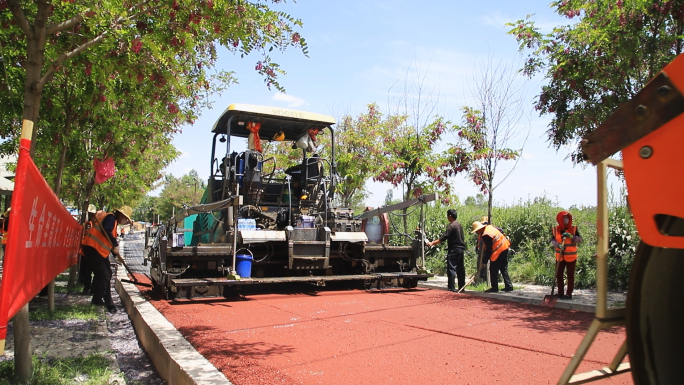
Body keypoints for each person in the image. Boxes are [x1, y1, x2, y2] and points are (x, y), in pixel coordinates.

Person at [81, 206, 132, 313]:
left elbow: (107, 240)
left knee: (105, 274)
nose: (125, 221)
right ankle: (109, 303)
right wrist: (115, 244)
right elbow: (105, 230)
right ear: (121, 215)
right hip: (92, 249)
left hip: (97, 251)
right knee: (105, 275)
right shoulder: (111, 218)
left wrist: (115, 255)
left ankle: (97, 298)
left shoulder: (113, 222)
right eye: (126, 218)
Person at [427, 209, 466, 292]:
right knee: (460, 268)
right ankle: (461, 287)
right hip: (461, 249)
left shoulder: (451, 226)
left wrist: (432, 243)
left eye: (447, 216)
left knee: (451, 268)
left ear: (450, 216)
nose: (447, 217)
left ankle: (451, 288)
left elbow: (443, 238)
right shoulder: (459, 225)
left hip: (454, 250)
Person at [471, 221, 513, 293]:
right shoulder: (489, 227)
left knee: (493, 269)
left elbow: (488, 250)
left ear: (479, 229)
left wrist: (484, 262)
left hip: (499, 249)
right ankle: (509, 286)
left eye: (476, 231)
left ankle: (494, 288)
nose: (476, 233)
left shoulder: (486, 235)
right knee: (503, 267)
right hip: (505, 246)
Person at [551, 211, 583, 300]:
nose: (566, 220)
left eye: (567, 218)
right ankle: (560, 293)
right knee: (559, 275)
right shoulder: (555, 229)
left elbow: (580, 240)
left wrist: (571, 237)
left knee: (570, 275)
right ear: (560, 219)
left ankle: (569, 294)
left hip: (571, 257)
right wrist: (558, 245)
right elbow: (553, 240)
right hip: (559, 256)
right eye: (564, 218)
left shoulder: (573, 229)